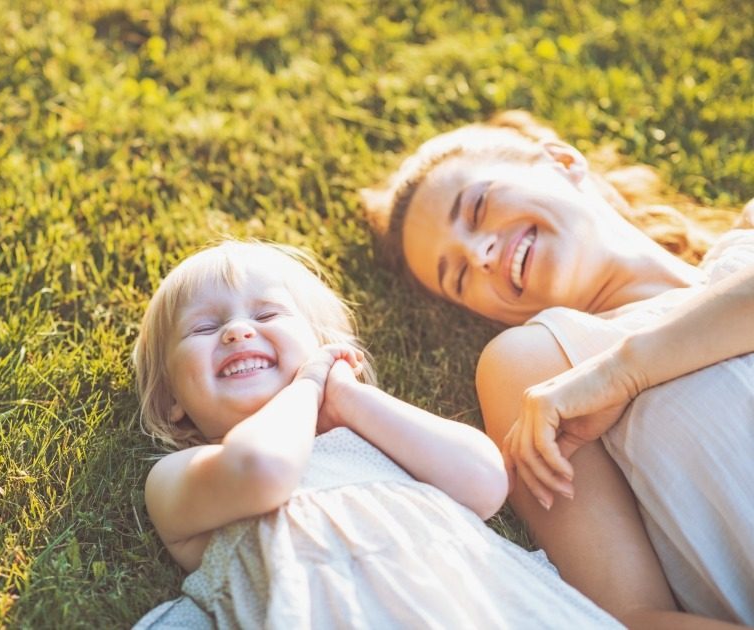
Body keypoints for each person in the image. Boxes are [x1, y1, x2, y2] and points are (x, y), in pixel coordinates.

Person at [364, 111, 754, 629]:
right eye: (458, 275)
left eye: (478, 207)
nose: (479, 253)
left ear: (563, 161)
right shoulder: (541, 366)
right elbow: (632, 614)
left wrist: (626, 372)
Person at [130, 240, 622, 628]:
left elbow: (486, 481)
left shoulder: (377, 436)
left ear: (325, 350)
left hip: (480, 605)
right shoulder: (183, 475)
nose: (237, 332)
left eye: (265, 315)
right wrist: (305, 387)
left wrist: (347, 397)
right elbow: (264, 469)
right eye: (203, 329)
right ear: (173, 401)